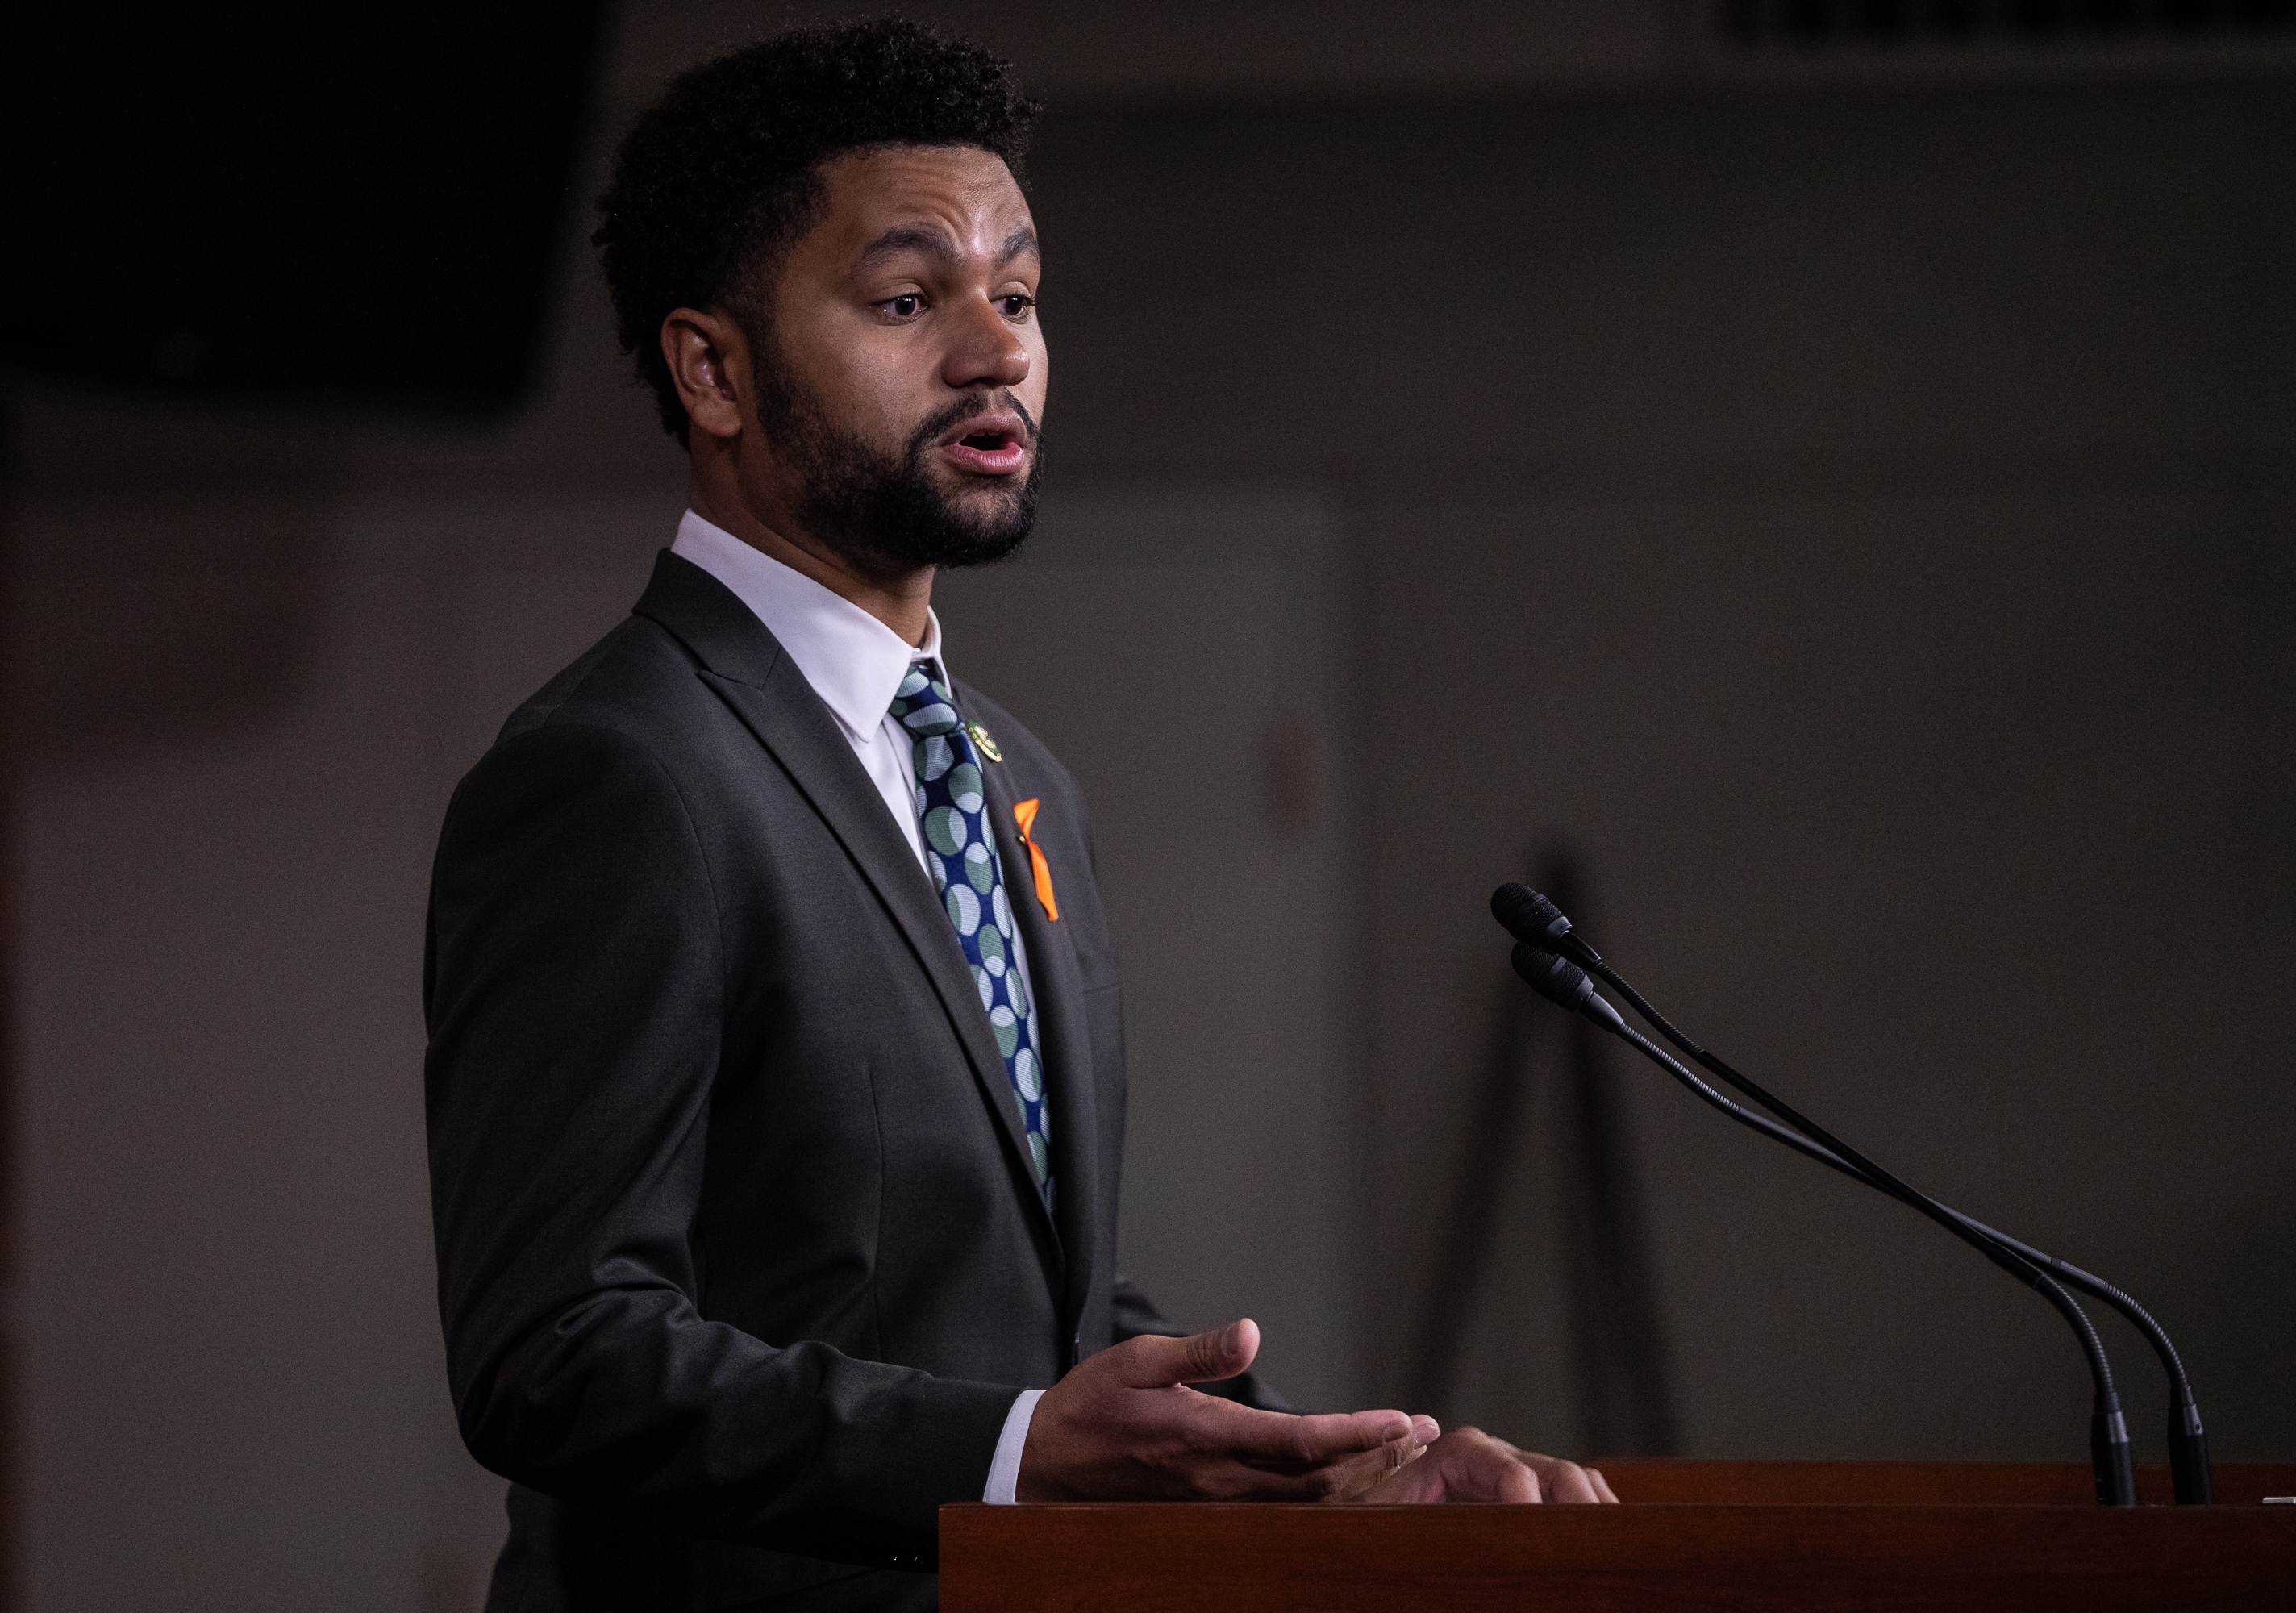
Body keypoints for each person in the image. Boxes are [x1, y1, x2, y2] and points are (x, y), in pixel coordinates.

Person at [423, 19, 1612, 1612]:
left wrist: (1340, 1475)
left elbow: (1024, 1318)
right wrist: (1003, 1456)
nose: (997, 349)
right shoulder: (621, 770)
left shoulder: (1012, 774)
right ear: (712, 368)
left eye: (1021, 293)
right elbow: (554, 1351)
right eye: (910, 299)